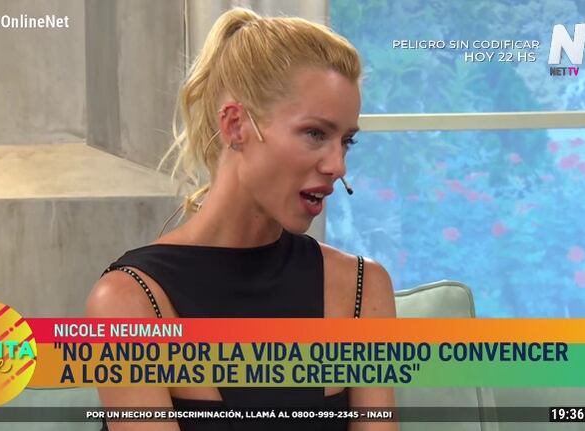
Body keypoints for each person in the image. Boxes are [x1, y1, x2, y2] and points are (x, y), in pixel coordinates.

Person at [86, 7, 396, 431]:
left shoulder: (362, 287)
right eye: (315, 134)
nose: (337, 165)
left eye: (346, 141)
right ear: (236, 125)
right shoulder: (129, 301)